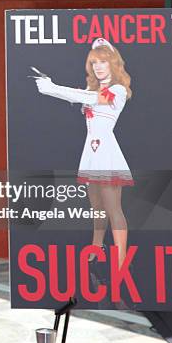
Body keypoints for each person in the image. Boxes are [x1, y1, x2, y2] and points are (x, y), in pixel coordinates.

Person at [34, 37, 132, 267]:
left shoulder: (117, 90)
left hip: (107, 152)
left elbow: (87, 98)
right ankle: (97, 248)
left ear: (113, 64)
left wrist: (52, 89)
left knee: (113, 208)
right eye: (94, 62)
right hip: (91, 152)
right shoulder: (93, 89)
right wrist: (51, 86)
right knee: (97, 208)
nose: (98, 66)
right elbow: (82, 96)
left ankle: (120, 260)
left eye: (103, 62)